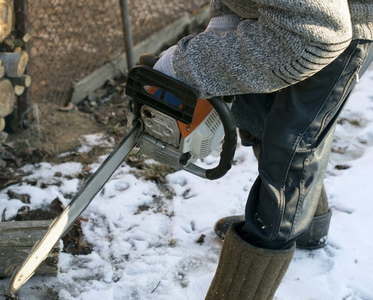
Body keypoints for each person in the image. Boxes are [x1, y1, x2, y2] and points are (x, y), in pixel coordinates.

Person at [141, 0, 373, 299]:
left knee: (290, 153)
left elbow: (319, 32)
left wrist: (185, 66)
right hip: (297, 22)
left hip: (331, 32)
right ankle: (311, 227)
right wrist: (221, 27)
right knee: (265, 122)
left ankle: (252, 267)